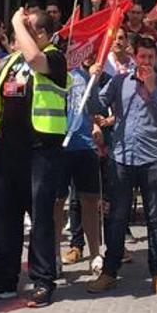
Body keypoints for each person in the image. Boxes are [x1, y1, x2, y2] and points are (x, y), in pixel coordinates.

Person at [0, 7, 68, 307]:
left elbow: (36, 59)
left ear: (43, 35)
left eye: (29, 29)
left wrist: (17, 22)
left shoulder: (56, 58)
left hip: (40, 151)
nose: (21, 32)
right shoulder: (11, 62)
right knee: (5, 218)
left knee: (41, 218)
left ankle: (43, 280)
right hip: (8, 151)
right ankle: (4, 279)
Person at [86, 37, 157, 296]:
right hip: (122, 158)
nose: (146, 62)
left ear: (156, 59)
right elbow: (95, 107)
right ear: (134, 57)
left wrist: (153, 90)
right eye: (142, 57)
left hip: (151, 160)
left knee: (154, 218)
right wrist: (93, 81)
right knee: (116, 217)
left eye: (151, 57)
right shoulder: (119, 81)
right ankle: (109, 272)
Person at [55, 54, 104, 274]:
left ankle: (95, 253)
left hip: (85, 145)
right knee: (57, 202)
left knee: (90, 200)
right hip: (60, 145)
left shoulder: (88, 76)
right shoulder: (57, 75)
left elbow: (95, 107)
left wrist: (95, 81)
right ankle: (54, 254)